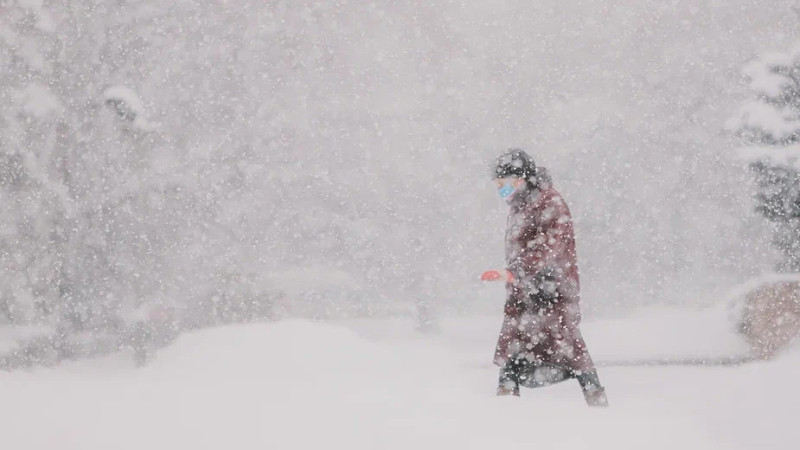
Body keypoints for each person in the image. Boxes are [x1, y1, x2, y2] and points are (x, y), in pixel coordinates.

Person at [481, 149, 608, 407]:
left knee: (569, 347)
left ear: (521, 179)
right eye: (497, 185)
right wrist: (514, 275)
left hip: (552, 290)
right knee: (514, 349)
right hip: (526, 291)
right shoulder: (520, 205)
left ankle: (597, 402)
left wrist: (514, 271)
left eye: (503, 183)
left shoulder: (549, 202)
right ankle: (505, 401)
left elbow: (549, 246)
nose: (500, 190)